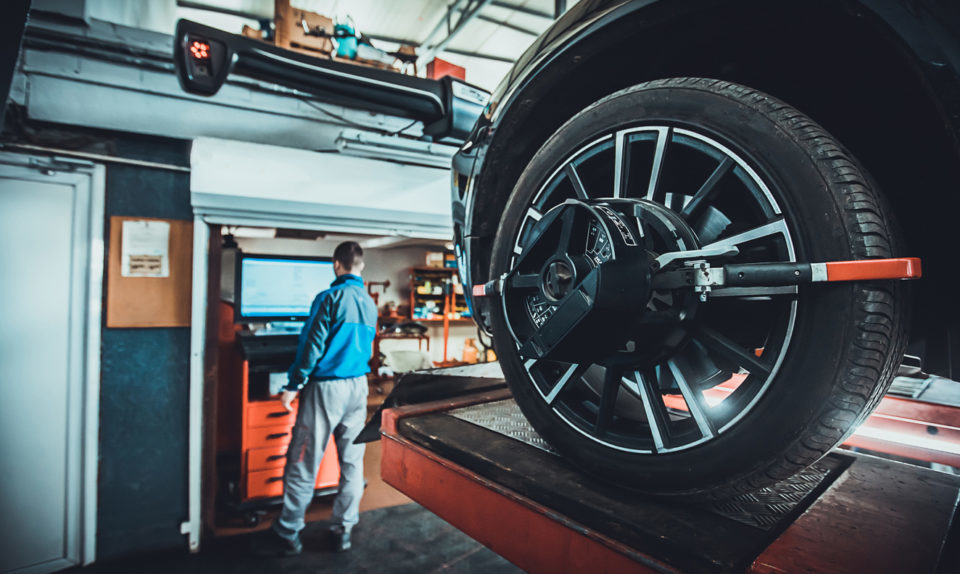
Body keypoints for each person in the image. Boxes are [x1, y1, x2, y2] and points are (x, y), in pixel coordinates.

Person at [262, 241, 377, 555]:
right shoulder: (369, 302)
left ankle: (287, 531)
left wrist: (294, 384)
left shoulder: (329, 298)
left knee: (303, 459)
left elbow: (311, 346)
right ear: (360, 266)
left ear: (336, 264)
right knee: (353, 463)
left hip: (327, 387)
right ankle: (343, 530)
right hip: (358, 387)